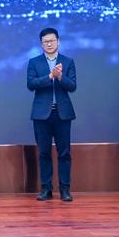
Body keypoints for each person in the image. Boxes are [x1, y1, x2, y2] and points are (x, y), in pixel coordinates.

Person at [26, 28, 77, 202]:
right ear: (41, 44)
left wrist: (60, 76)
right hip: (42, 115)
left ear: (58, 41)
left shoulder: (68, 61)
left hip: (62, 114)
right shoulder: (34, 62)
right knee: (44, 153)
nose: (49, 44)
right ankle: (46, 189)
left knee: (64, 153)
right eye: (45, 41)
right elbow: (31, 84)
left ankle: (65, 189)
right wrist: (49, 76)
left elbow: (72, 86)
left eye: (52, 40)